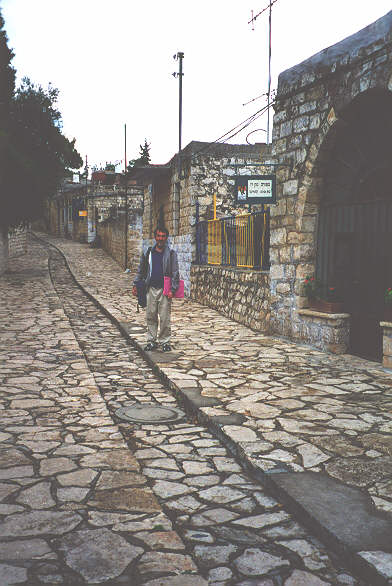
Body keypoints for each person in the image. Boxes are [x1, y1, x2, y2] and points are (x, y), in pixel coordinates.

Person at [132, 227, 179, 352]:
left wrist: (172, 290)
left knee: (164, 318)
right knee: (151, 316)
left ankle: (165, 341)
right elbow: (141, 270)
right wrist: (135, 284)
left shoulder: (171, 253)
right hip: (150, 289)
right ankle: (151, 340)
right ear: (155, 237)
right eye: (159, 236)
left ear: (166, 238)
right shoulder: (148, 253)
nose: (161, 239)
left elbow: (175, 272)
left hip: (165, 290)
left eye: (163, 236)